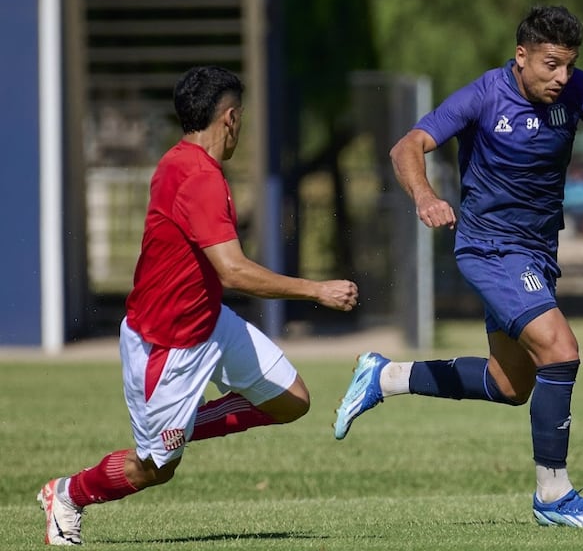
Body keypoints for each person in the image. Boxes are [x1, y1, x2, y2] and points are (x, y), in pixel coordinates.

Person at [334, 6, 583, 528]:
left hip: (537, 250)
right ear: (521, 56)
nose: (561, 77)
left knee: (510, 385)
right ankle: (553, 496)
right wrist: (425, 195)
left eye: (569, 65)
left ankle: (386, 376)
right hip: (490, 247)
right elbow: (409, 146)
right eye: (551, 65)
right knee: (561, 350)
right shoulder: (484, 96)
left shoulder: (579, 90)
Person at [37, 66, 359, 546]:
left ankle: (180, 426)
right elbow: (234, 271)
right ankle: (68, 493)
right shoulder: (199, 178)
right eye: (241, 118)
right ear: (229, 119)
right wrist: (316, 291)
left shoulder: (178, 161)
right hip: (165, 348)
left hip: (208, 323)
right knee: (153, 470)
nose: (241, 127)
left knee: (292, 399)